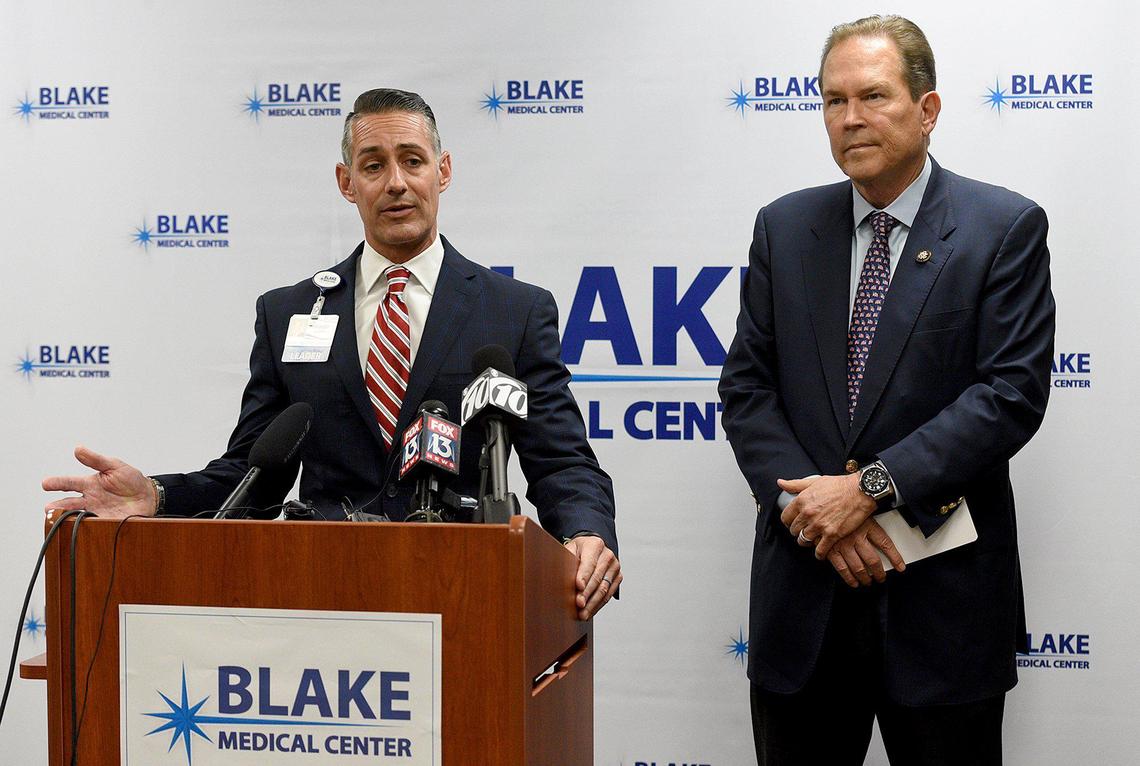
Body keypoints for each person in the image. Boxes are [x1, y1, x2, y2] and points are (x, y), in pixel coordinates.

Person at [43, 88, 621, 620]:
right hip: (322, 600)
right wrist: (160, 495)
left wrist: (586, 533)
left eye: (413, 161)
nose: (396, 182)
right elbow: (254, 477)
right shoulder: (286, 313)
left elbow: (561, 461)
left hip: (463, 593)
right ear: (347, 182)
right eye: (374, 165)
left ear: (443, 172)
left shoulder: (513, 311)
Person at [719, 15, 1054, 765]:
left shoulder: (1003, 227)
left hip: (941, 611)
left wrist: (868, 489)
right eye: (833, 101)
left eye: (873, 96)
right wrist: (811, 512)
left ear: (928, 110)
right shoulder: (783, 227)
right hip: (804, 604)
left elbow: (1009, 395)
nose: (850, 118)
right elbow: (747, 388)